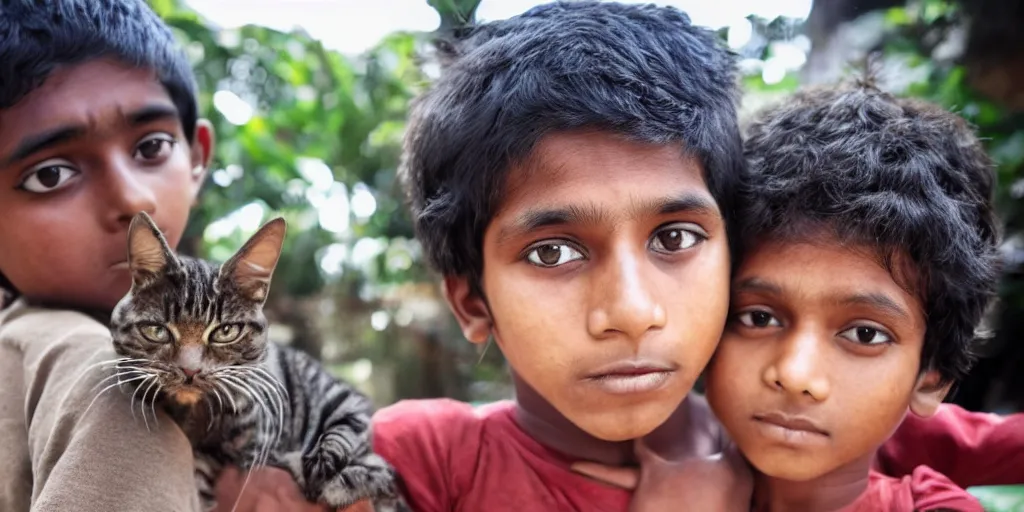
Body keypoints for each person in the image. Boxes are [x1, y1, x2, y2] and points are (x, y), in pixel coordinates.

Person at [372, 2, 752, 510]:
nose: (632, 313)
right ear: (472, 302)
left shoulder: (809, 465)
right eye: (552, 252)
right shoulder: (420, 465)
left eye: (675, 238)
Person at [0, 2, 342, 511]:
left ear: (197, 154)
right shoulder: (101, 380)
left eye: (151, 146)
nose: (132, 199)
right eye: (50, 174)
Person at [704, 77, 997, 510]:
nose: (796, 374)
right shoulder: (621, 479)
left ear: (930, 380)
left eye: (864, 334)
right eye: (759, 318)